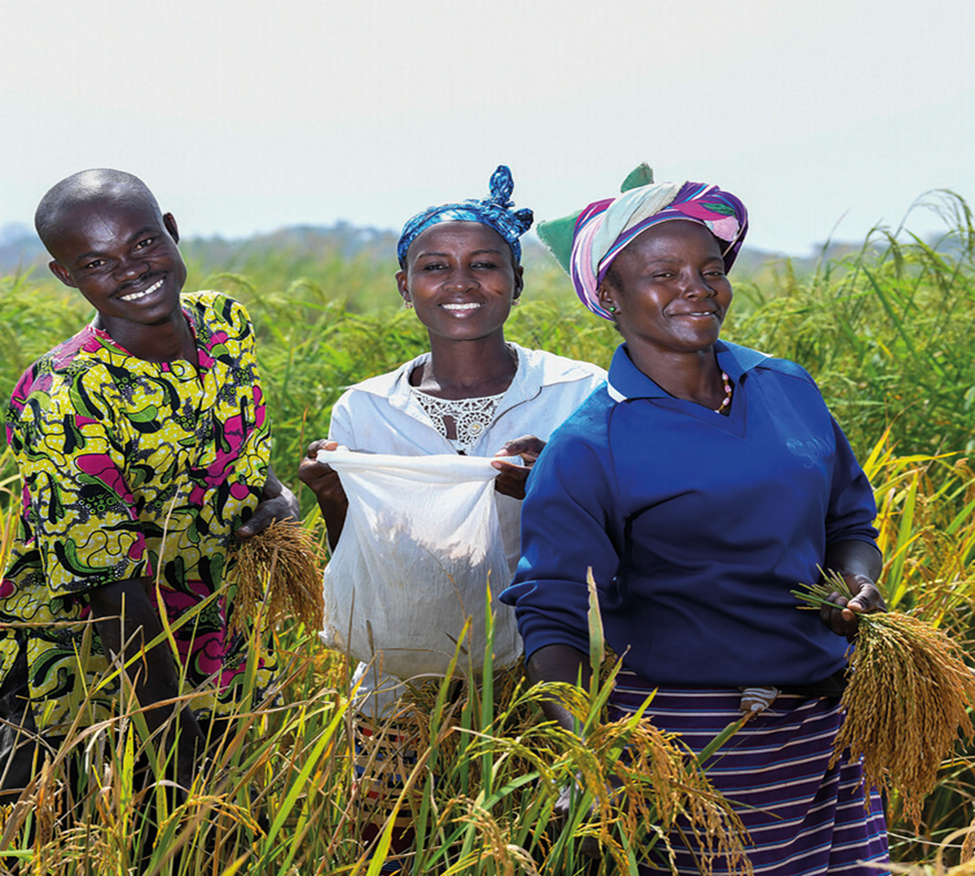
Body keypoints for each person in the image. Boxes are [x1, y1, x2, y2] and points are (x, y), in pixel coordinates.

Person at [500, 167, 890, 874]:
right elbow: (552, 620)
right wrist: (600, 753)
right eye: (663, 273)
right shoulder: (591, 446)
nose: (696, 287)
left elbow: (848, 520)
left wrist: (856, 584)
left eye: (710, 268)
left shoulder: (784, 387)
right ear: (609, 298)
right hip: (696, 748)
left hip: (829, 730)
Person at [298, 165, 606, 861]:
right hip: (403, 688)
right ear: (405, 286)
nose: (460, 283)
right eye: (434, 267)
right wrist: (333, 496)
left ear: (516, 282)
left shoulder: (576, 392)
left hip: (547, 680)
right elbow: (364, 563)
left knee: (545, 851)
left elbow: (625, 533)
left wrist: (553, 486)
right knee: (398, 850)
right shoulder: (367, 408)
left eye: (485, 266)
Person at [0, 169, 298, 802]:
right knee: (116, 828)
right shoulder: (65, 394)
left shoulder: (224, 325)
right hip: (101, 672)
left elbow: (233, 448)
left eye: (142, 243)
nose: (132, 270)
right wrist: (175, 742)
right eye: (96, 261)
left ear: (171, 231)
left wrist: (275, 500)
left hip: (221, 638)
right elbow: (113, 588)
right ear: (66, 276)